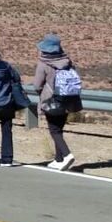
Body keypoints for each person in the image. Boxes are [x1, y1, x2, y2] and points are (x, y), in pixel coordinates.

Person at [33, 33, 79, 171]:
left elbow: (37, 85)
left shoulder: (43, 64)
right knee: (59, 129)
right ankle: (58, 159)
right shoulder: (67, 62)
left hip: (51, 100)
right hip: (68, 100)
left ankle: (67, 155)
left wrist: (42, 94)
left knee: (54, 130)